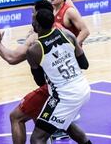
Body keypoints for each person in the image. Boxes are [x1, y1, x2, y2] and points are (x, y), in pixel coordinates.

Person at [0, 0, 53, 144]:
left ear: (38, 16)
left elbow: (12, 58)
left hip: (50, 88)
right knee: (40, 119)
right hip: (69, 85)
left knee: (16, 117)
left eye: (32, 13)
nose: (31, 16)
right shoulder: (59, 30)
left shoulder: (36, 37)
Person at [27, 8, 92, 144]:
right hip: (83, 87)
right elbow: (84, 64)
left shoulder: (34, 50)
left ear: (37, 26)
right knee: (65, 124)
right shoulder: (68, 34)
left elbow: (40, 82)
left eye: (33, 20)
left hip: (65, 96)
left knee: (37, 138)